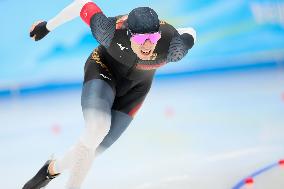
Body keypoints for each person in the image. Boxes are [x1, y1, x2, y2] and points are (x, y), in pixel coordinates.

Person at [23, 0, 196, 189]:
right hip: (103, 70)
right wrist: (47, 26)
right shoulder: (110, 31)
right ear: (129, 34)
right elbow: (83, 5)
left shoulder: (172, 45)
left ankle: (51, 170)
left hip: (136, 89)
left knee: (91, 150)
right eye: (140, 39)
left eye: (152, 38)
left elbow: (189, 31)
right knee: (97, 128)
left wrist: (185, 38)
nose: (147, 46)